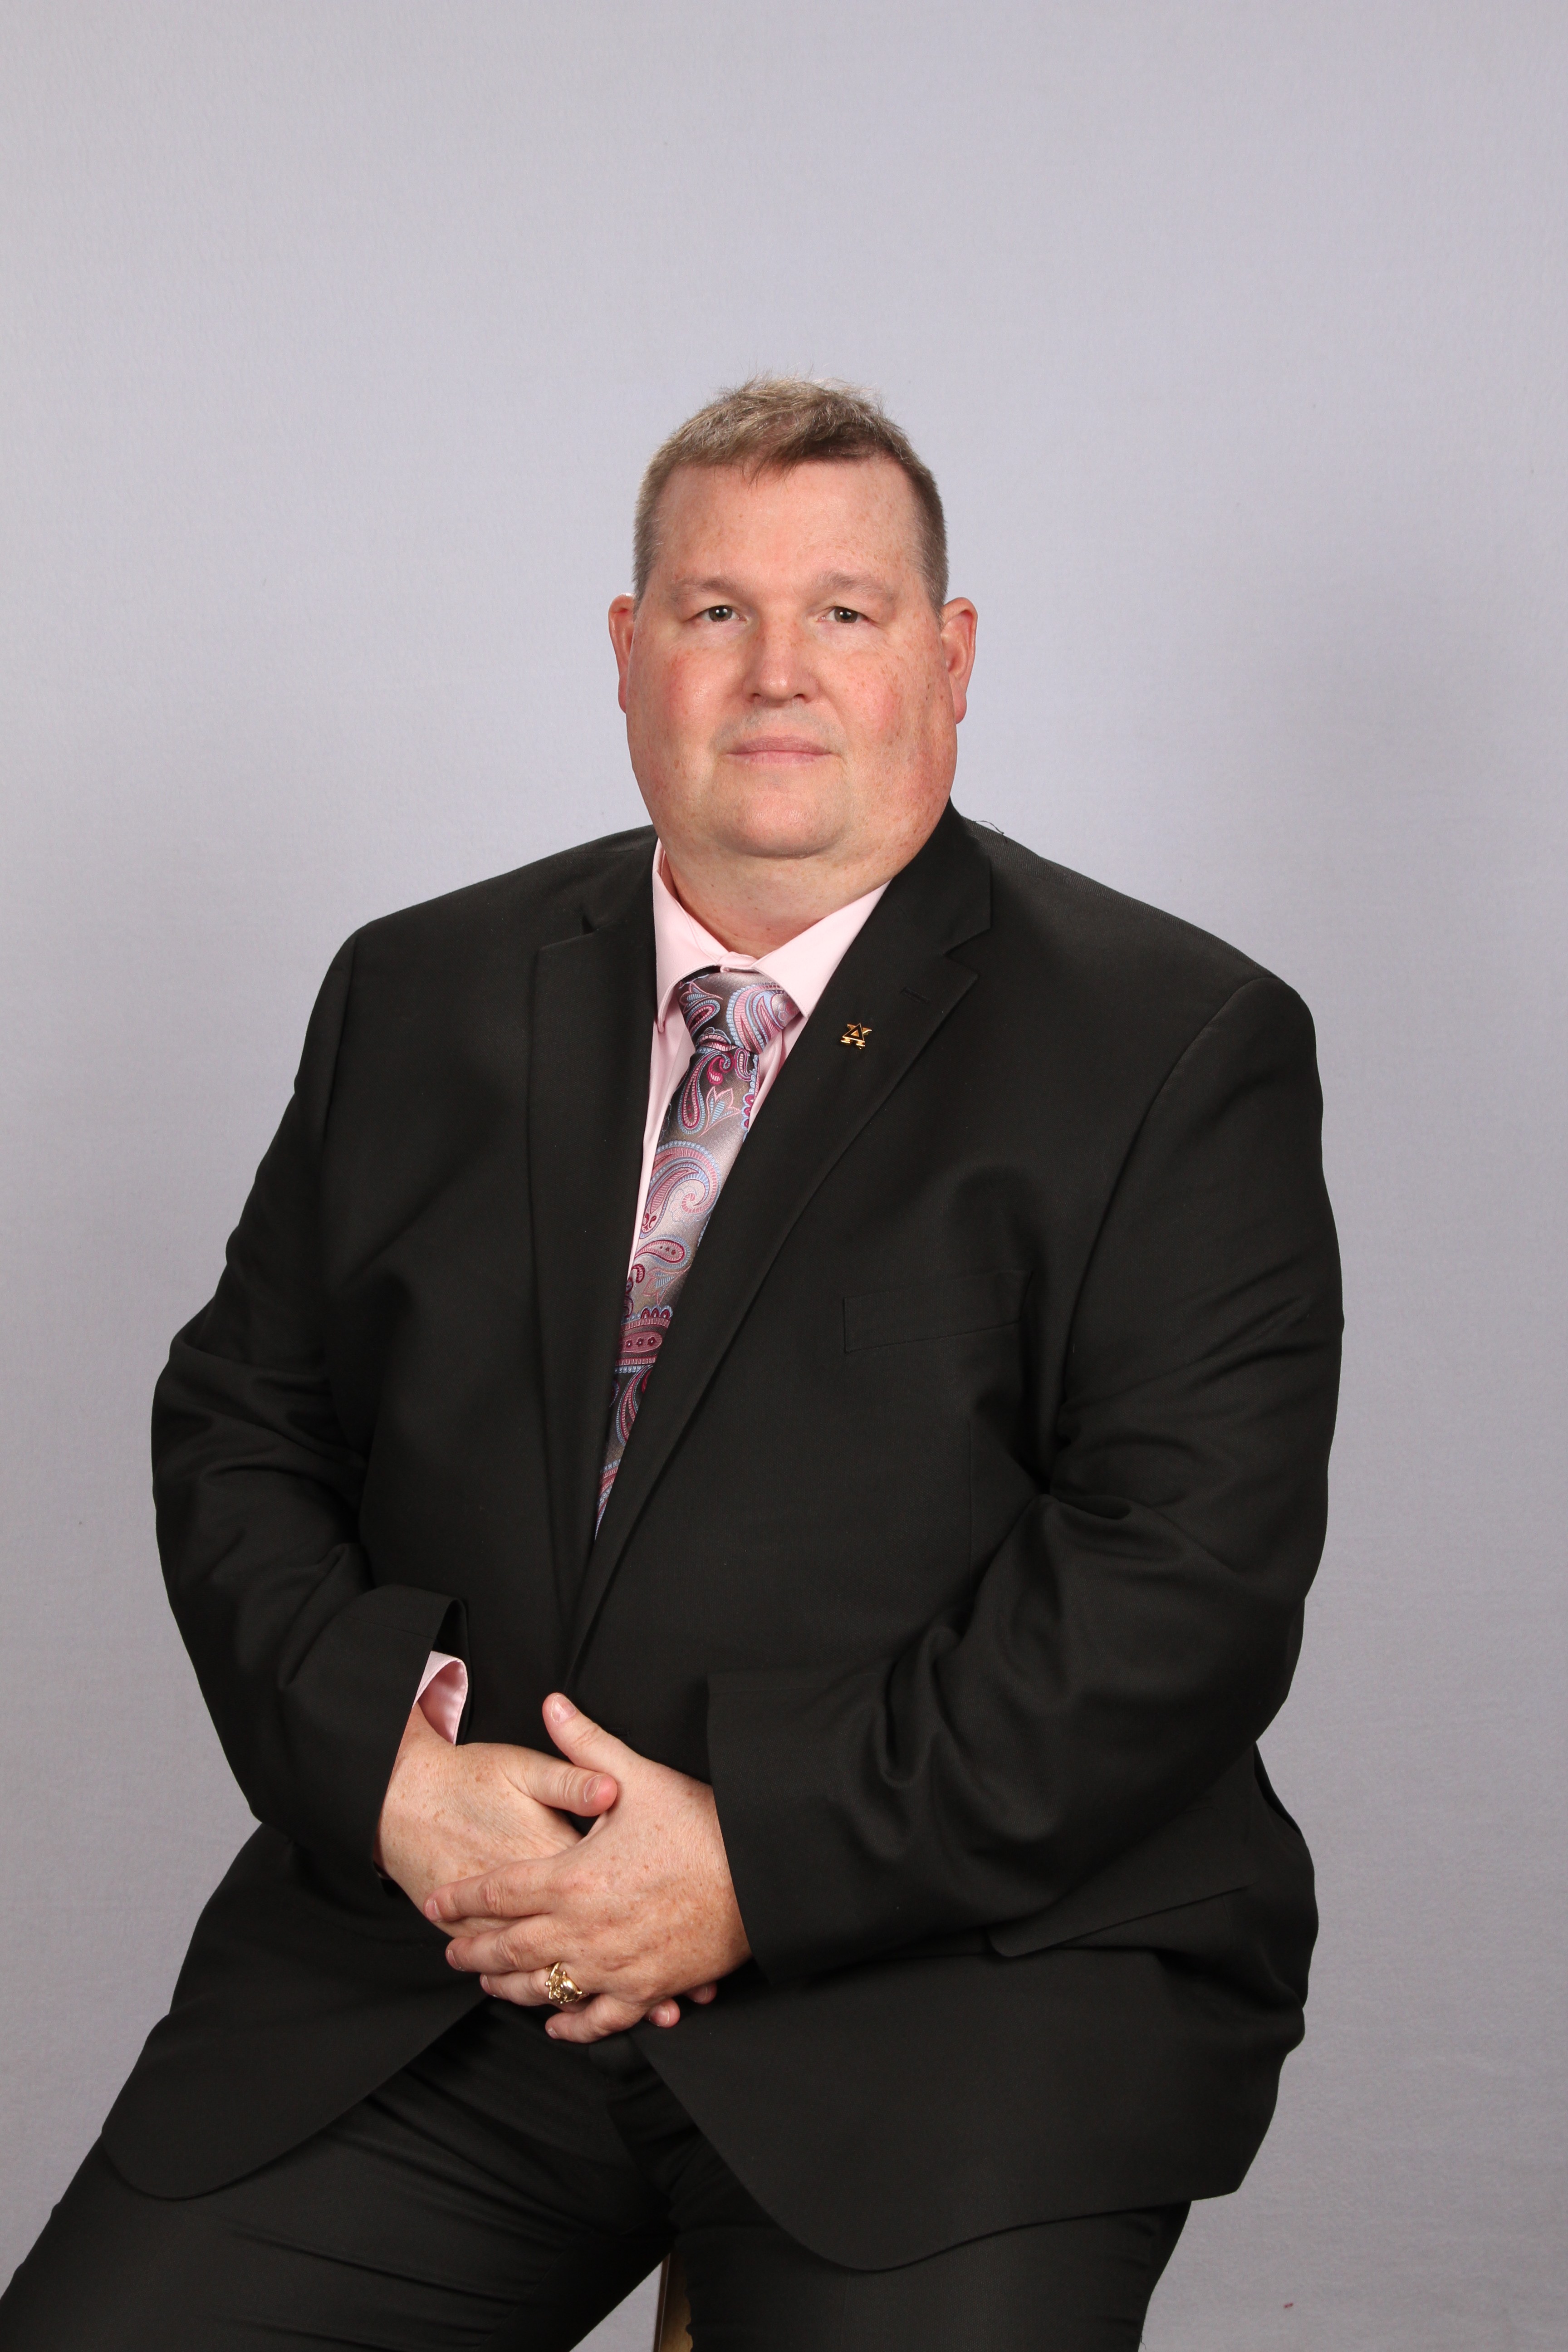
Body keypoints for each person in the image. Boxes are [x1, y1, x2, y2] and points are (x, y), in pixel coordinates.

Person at [0, 377, 1341, 2350]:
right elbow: (244, 1427)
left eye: (846, 612)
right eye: (719, 611)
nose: (778, 670)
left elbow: (1181, 1585)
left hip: (950, 1991)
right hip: (455, 1964)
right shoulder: (418, 990)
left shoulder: (1174, 1042)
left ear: (951, 660)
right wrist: (393, 1781)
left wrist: (753, 1865)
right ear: (631, 654)